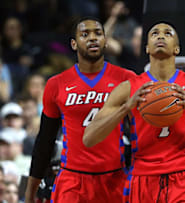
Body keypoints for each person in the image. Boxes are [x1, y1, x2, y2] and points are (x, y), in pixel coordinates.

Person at [83, 22, 185, 202]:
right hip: (143, 178)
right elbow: (89, 138)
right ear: (146, 48)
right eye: (154, 33)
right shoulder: (128, 89)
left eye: (167, 33)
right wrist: (125, 108)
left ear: (177, 49)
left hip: (183, 177)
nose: (160, 36)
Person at [24, 17, 136, 203]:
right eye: (85, 34)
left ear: (106, 41)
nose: (92, 38)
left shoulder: (126, 78)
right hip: (73, 180)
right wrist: (30, 192)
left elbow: (140, 133)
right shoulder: (56, 84)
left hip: (114, 178)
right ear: (74, 44)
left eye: (98, 34)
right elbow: (45, 141)